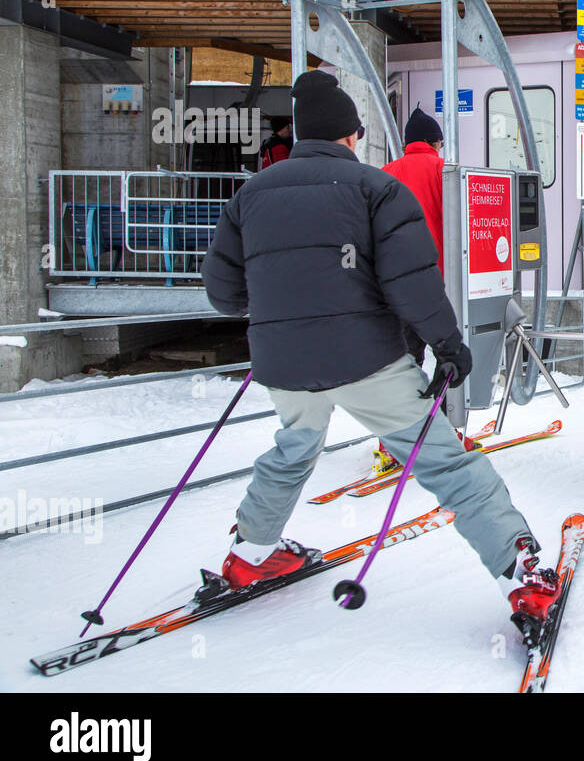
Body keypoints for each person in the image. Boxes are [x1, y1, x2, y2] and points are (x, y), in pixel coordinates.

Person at [201, 70, 558, 638]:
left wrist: (283, 302)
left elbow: (222, 294)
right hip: (366, 361)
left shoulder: (251, 194)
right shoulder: (375, 189)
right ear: (349, 137)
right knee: (445, 462)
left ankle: (249, 553)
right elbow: (411, 281)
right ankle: (523, 576)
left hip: (285, 366)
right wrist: (447, 343)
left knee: (293, 450)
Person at [381, 106, 446, 366]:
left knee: (407, 356)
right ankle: (445, 404)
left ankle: (411, 402)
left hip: (395, 282)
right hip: (436, 280)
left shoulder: (383, 174)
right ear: (433, 142)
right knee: (448, 354)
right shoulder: (444, 171)